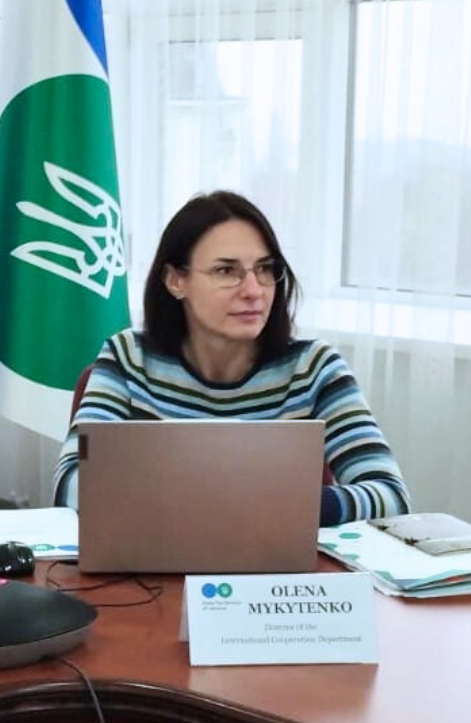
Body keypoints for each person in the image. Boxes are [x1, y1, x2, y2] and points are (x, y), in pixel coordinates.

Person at [53, 190, 410, 526]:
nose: (254, 291)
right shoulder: (127, 359)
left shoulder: (314, 369)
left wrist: (280, 505)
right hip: (151, 565)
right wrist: (236, 503)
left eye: (265, 269)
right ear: (176, 281)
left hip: (279, 566)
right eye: (226, 271)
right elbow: (71, 485)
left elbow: (391, 497)